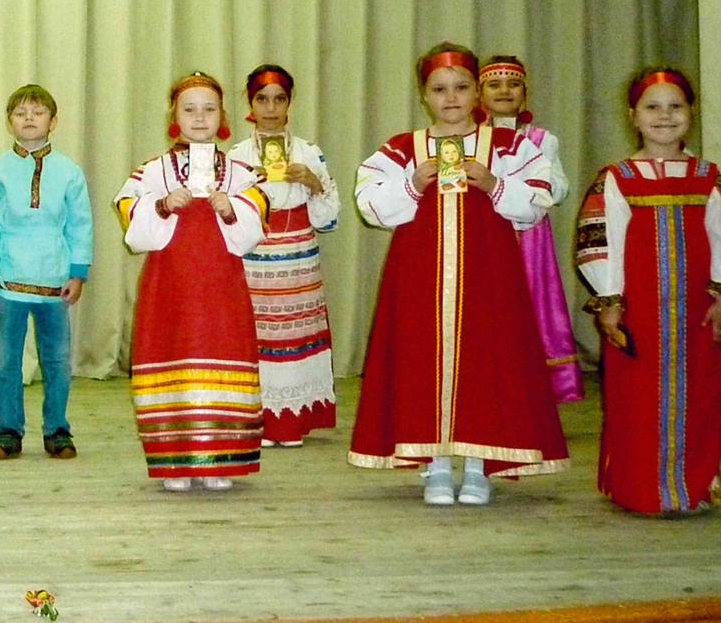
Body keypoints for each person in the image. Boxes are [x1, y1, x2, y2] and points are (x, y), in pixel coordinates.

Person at [352, 42, 568, 506]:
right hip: (419, 276)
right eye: (439, 89)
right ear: (424, 94)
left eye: (461, 87)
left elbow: (540, 198)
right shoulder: (403, 148)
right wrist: (412, 183)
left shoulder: (509, 146)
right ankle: (434, 465)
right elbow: (370, 204)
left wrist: (494, 183)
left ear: (476, 92)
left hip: (489, 276)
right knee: (420, 361)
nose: (451, 98)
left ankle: (477, 466)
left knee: (486, 362)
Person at [574, 67, 721, 515]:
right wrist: (609, 300)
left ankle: (692, 483)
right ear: (633, 115)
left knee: (699, 395)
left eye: (676, 106)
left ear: (692, 112)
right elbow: (601, 241)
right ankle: (640, 487)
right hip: (637, 311)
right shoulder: (617, 177)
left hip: (696, 311)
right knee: (636, 398)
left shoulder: (708, 177)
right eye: (652, 107)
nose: (665, 116)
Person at [113, 71, 269, 492]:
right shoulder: (152, 171)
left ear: (223, 116)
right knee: (173, 356)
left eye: (209, 109)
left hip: (221, 289)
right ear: (174, 116)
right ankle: (175, 462)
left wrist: (231, 208)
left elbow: (257, 219)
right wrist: (162, 205)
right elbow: (128, 211)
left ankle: (218, 459)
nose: (199, 118)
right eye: (189, 109)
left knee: (221, 355)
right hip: (170, 288)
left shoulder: (241, 173)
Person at [0, 84, 93, 460]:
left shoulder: (69, 172)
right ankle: (8, 430)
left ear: (53, 121)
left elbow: (80, 225)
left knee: (57, 362)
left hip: (55, 280)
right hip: (8, 279)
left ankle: (57, 430)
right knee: (6, 362)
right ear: (10, 121)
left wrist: (78, 273)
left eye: (38, 113)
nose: (29, 119)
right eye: (21, 113)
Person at [226, 64, 340, 447]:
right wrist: (248, 190)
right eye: (262, 99)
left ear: (290, 102)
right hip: (255, 259)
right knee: (257, 336)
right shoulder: (237, 156)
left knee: (295, 335)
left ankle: (293, 421)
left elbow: (328, 219)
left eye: (279, 99)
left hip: (298, 258)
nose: (271, 108)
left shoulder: (310, 152)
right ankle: (257, 419)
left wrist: (313, 183)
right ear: (251, 103)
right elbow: (224, 218)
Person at [477, 55, 581, 403]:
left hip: (529, 238)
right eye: (494, 85)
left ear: (525, 91)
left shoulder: (541, 139)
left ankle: (530, 389)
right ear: (479, 93)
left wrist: (535, 188)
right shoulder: (471, 138)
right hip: (483, 234)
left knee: (530, 304)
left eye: (513, 84)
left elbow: (558, 187)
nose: (504, 91)